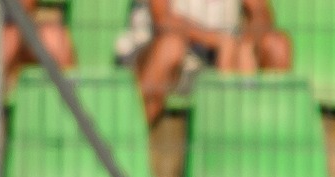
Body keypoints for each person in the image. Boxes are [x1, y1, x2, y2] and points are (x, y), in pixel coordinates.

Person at [120, 0, 291, 123]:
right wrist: (217, 40)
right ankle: (129, 140)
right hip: (155, 52)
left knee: (277, 46)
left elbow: (261, 13)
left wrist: (246, 42)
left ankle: (266, 138)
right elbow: (163, 20)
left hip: (217, 56)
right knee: (171, 47)